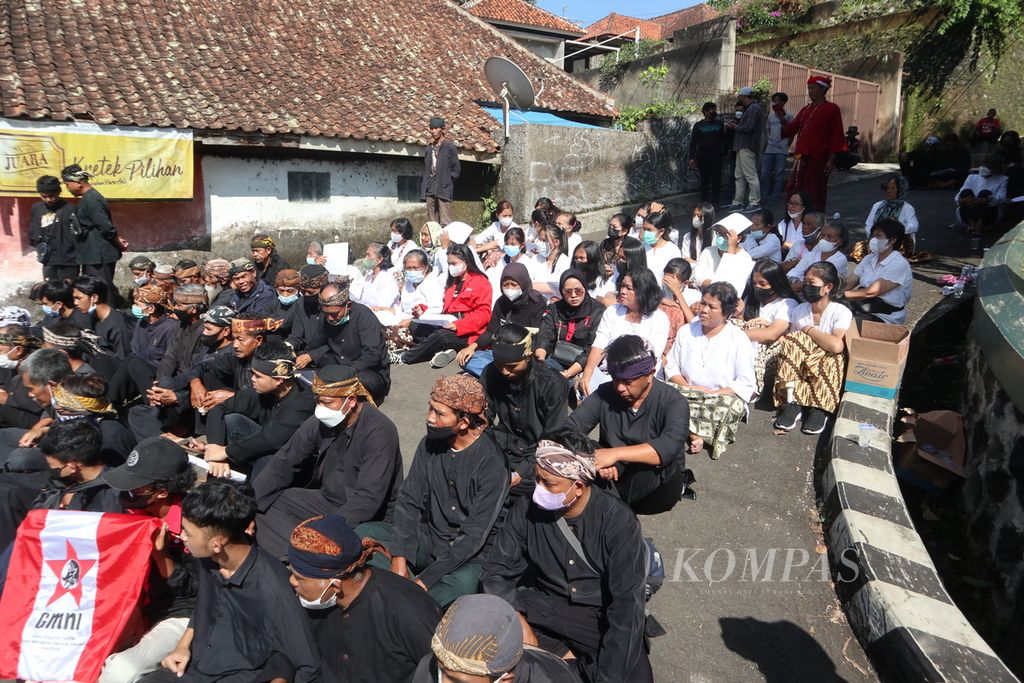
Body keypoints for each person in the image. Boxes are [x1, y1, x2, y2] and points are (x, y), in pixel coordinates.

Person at [482, 430, 653, 682]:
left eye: (549, 483)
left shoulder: (619, 523)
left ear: (579, 486)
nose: (538, 489)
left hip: (598, 615)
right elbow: (496, 571)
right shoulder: (526, 508)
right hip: (542, 605)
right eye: (537, 478)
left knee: (634, 675)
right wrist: (516, 619)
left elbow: (626, 606)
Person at [359, 375, 508, 608]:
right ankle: (403, 589)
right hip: (431, 537)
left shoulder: (493, 464)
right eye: (431, 409)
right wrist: (400, 559)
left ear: (464, 422)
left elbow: (473, 537)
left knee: (463, 584)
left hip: (467, 555)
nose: (430, 418)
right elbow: (409, 500)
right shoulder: (429, 444)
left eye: (439, 414)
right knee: (365, 532)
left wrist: (425, 581)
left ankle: (405, 604)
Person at [149, 480, 319, 683]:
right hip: (194, 666)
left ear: (216, 543)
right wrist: (183, 646)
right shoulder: (207, 559)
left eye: (188, 532)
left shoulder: (273, 587)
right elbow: (203, 607)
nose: (182, 536)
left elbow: (307, 665)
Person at [253, 365, 403, 559]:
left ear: (350, 401)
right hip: (326, 500)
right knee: (270, 502)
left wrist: (329, 528)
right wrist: (249, 504)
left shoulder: (380, 432)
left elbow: (369, 498)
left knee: (338, 539)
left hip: (366, 515)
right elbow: (284, 460)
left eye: (327, 402)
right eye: (318, 402)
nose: (320, 409)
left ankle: (307, 557)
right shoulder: (320, 422)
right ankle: (293, 556)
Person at [287, 515, 440, 683]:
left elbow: (442, 672)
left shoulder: (408, 609)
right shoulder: (312, 603)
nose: (292, 582)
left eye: (299, 578)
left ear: (335, 586)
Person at [98, 438, 198, 683]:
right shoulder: (129, 512)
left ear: (162, 492)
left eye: (135, 487)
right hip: (125, 606)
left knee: (120, 670)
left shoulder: (196, 522)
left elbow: (197, 589)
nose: (127, 493)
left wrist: (159, 554)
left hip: (179, 614)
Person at [568, 336, 689, 514]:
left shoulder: (674, 402)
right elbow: (570, 427)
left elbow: (668, 447)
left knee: (662, 465)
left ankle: (612, 511)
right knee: (581, 446)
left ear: (650, 374)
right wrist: (596, 457)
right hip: (613, 475)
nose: (620, 388)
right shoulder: (606, 393)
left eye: (628, 381)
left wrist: (613, 454)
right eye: (616, 379)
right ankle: (612, 509)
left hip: (656, 487)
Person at [0, 419, 123, 551]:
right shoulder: (110, 482)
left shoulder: (108, 500)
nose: (51, 469)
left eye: (54, 467)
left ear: (72, 466)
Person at [665, 282, 756, 459]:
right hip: (686, 392)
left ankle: (684, 428)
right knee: (663, 394)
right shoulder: (686, 331)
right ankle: (694, 433)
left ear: (726, 313)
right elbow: (671, 366)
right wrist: (692, 389)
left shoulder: (738, 338)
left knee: (730, 407)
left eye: (711, 306)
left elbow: (745, 382)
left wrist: (712, 394)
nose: (703, 310)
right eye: (703, 303)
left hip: (718, 399)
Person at [200, 341, 315, 478]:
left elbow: (273, 439)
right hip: (267, 444)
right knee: (232, 419)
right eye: (252, 373)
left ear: (278, 379)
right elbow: (220, 408)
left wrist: (225, 452)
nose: (253, 379)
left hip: (294, 463)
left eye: (258, 376)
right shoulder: (263, 391)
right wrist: (215, 449)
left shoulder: (305, 401)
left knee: (266, 461)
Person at [480, 324, 569, 494]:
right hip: (502, 444)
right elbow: (483, 416)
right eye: (500, 364)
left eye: (512, 366)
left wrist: (521, 472)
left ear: (528, 357)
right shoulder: (491, 372)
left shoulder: (552, 384)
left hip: (536, 453)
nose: (505, 372)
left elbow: (553, 439)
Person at [412, 593, 579, 682]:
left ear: (504, 680)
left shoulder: (554, 679)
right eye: (441, 671)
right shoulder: (431, 666)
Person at [774, 261, 852, 435]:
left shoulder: (840, 311)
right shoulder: (800, 310)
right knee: (792, 342)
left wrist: (808, 330)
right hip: (801, 363)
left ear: (827, 287)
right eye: (805, 282)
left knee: (832, 355)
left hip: (826, 362)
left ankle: (820, 408)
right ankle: (791, 403)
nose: (806, 287)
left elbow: (836, 345)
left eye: (812, 284)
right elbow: (792, 344)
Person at [288, 280, 391, 404]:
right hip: (338, 365)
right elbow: (320, 344)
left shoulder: (364, 316)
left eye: (335, 314)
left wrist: (346, 372)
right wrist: (310, 356)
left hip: (367, 371)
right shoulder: (325, 318)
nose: (330, 318)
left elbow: (372, 355)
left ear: (348, 305)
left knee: (353, 384)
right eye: (326, 314)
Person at [401, 243, 492, 368]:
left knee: (441, 336)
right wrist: (423, 309)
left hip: (467, 332)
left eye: (454, 264)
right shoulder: (453, 282)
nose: (450, 267)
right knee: (415, 325)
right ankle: (443, 351)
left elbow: (483, 314)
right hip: (448, 323)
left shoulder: (480, 282)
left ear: (466, 261)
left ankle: (405, 357)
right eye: (449, 264)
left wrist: (459, 325)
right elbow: (445, 306)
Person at [581, 268, 669, 396]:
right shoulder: (612, 311)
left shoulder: (659, 318)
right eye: (622, 286)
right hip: (610, 372)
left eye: (629, 288)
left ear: (643, 290)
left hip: (641, 377)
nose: (622, 291)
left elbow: (650, 356)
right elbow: (599, 345)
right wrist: (587, 374)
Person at [458, 262, 547, 377]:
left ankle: (494, 377)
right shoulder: (501, 302)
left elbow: (538, 337)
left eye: (514, 285)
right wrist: (472, 346)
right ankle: (501, 377)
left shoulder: (537, 303)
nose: (509, 289)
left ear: (523, 283)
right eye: (506, 285)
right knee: (466, 358)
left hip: (522, 356)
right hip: (500, 353)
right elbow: (491, 331)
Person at [779, 75, 846, 211]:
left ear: (822, 89)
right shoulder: (805, 110)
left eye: (813, 88)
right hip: (800, 157)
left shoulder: (832, 109)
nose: (810, 91)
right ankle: (795, 216)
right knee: (796, 188)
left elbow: (836, 135)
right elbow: (791, 129)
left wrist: (831, 159)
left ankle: (814, 219)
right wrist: (783, 120)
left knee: (814, 191)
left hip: (818, 158)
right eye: (809, 88)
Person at [0, 348, 70, 468]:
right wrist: (40, 430)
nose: (30, 394)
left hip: (67, 453)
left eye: (31, 389)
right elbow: (50, 417)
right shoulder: (57, 397)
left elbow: (75, 434)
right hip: (50, 436)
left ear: (52, 385)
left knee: (20, 459)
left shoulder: (77, 403)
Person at [535, 269, 606, 386]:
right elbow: (545, 335)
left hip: (584, 366)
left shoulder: (597, 311)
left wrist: (567, 374)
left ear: (585, 289)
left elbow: (592, 349)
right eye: (568, 292)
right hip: (556, 360)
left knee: (558, 383)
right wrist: (540, 360)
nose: (573, 296)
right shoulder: (554, 309)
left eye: (578, 291)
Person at [737, 259, 798, 394]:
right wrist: (740, 316)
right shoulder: (752, 300)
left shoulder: (787, 304)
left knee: (760, 338)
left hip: (770, 355)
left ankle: (754, 389)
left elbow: (771, 334)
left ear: (775, 283)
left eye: (762, 283)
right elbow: (745, 324)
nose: (757, 287)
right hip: (747, 350)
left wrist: (733, 336)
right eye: (754, 283)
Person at [61, 164, 124, 287]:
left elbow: (105, 227)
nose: (67, 188)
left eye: (67, 184)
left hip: (99, 256)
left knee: (102, 290)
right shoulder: (88, 198)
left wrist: (118, 241)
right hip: (92, 255)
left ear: (78, 182)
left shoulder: (92, 199)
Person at [845, 218, 913, 325]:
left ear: (892, 240)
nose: (873, 239)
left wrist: (839, 295)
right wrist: (830, 292)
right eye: (873, 236)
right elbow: (850, 281)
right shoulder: (869, 259)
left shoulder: (899, 264)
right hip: (863, 306)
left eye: (878, 236)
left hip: (884, 316)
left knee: (844, 325)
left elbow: (871, 292)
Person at [381, 249, 445, 362]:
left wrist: (411, 320)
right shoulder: (408, 284)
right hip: (402, 321)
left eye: (416, 268)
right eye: (409, 268)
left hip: (423, 325)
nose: (412, 271)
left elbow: (437, 309)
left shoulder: (432, 283)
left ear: (425, 267)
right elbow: (403, 308)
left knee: (392, 336)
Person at [28, 175, 78, 281]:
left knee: (67, 290)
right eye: (44, 196)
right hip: (48, 259)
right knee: (50, 291)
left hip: (68, 261)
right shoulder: (37, 208)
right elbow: (34, 231)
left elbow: (77, 235)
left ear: (59, 192)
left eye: (52, 196)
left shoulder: (70, 209)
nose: (48, 199)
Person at [692, 213, 756, 295]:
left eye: (726, 235)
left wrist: (731, 247)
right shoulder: (708, 251)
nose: (721, 238)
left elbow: (733, 286)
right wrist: (718, 286)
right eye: (719, 234)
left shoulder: (745, 258)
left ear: (738, 238)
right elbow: (698, 279)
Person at [71, 275, 133, 358]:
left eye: (78, 298)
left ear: (94, 298)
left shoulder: (117, 326)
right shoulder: (93, 317)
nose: (75, 303)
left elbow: (123, 360)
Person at [858, 175, 919, 256]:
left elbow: (914, 226)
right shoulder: (877, 205)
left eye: (893, 188)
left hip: (897, 243)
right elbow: (869, 225)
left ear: (900, 190)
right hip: (878, 240)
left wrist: (897, 228)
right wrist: (874, 237)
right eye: (887, 188)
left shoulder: (907, 208)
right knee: (859, 249)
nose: (889, 191)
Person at [726, 86, 763, 210]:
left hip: (747, 145)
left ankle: (754, 202)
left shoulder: (753, 108)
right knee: (740, 176)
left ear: (743, 96)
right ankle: (738, 202)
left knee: (750, 175)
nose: (739, 99)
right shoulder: (751, 108)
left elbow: (749, 127)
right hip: (742, 146)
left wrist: (734, 127)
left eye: (740, 96)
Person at [0, 326, 44, 430]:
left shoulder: (37, 373)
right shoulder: (11, 367)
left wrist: (8, 400)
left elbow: (38, 415)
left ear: (18, 350)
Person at [955, 154, 1009, 237]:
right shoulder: (972, 177)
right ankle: (971, 224)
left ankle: (979, 225)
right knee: (966, 192)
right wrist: (963, 200)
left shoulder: (1002, 179)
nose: (986, 168)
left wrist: (988, 200)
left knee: (985, 193)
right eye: (985, 165)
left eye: (990, 167)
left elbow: (1002, 197)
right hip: (970, 209)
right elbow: (959, 194)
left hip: (988, 214)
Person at [421, 116, 461, 225]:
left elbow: (456, 169)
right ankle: (435, 241)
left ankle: (446, 241)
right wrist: (425, 188)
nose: (433, 131)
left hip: (444, 188)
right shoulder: (429, 149)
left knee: (445, 221)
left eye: (436, 128)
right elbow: (426, 170)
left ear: (442, 129)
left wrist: (447, 180)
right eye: (431, 128)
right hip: (430, 187)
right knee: (432, 222)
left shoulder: (449, 147)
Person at [688, 101, 728, 205]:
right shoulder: (698, 126)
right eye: (711, 109)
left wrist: (724, 153)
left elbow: (723, 139)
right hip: (702, 157)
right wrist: (691, 157)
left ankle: (715, 203)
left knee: (716, 180)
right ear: (705, 111)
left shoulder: (719, 124)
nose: (713, 111)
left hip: (717, 157)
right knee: (704, 181)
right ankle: (704, 204)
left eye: (715, 109)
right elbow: (693, 142)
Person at [787, 221, 849, 287]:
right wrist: (795, 281)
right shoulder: (811, 254)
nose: (824, 239)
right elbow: (793, 273)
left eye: (829, 237)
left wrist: (801, 283)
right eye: (823, 235)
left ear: (839, 242)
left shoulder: (840, 259)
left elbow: (820, 281)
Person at [761, 92, 793, 205]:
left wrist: (787, 145)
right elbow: (768, 130)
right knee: (765, 173)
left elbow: (791, 132)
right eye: (774, 101)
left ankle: (774, 197)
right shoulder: (770, 116)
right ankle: (764, 196)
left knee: (779, 174)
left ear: (783, 102)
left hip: (781, 148)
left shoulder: (789, 115)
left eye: (777, 101)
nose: (775, 103)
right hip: (770, 148)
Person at [355, 242, 400, 320]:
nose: (365, 258)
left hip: (380, 319)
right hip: (366, 316)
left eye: (368, 255)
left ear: (379, 259)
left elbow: (382, 306)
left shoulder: (387, 279)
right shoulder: (368, 277)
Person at [641, 210, 682, 280]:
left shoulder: (672, 250)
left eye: (649, 230)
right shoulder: (642, 246)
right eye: (644, 229)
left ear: (661, 231)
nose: (645, 232)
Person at [778, 191, 811, 257]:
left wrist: (789, 245)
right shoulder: (782, 225)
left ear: (804, 207)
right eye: (790, 203)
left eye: (796, 204)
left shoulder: (810, 226)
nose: (791, 206)